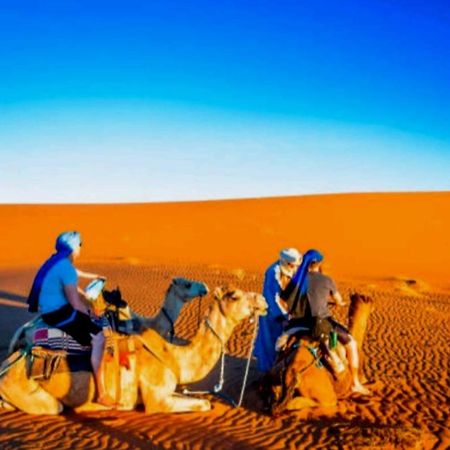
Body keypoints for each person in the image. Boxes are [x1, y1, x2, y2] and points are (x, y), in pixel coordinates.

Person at [27, 231, 114, 406]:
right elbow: (75, 303)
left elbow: (77, 272)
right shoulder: (65, 269)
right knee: (99, 337)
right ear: (74, 248)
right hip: (60, 314)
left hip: (51, 311)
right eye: (80, 245)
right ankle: (101, 393)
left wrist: (94, 277)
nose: (80, 248)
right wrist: (90, 313)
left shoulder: (56, 262)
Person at [282, 249, 370, 395]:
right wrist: (338, 303)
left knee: (281, 343)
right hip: (320, 324)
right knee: (352, 343)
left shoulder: (296, 281)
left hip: (298, 323)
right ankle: (355, 382)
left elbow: (287, 300)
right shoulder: (327, 280)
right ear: (319, 264)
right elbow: (338, 299)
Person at [253, 248, 302, 372]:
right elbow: (272, 298)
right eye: (292, 264)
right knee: (270, 344)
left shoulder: (291, 270)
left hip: (286, 313)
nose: (294, 267)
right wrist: (283, 316)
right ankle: (268, 372)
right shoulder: (273, 273)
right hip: (272, 315)